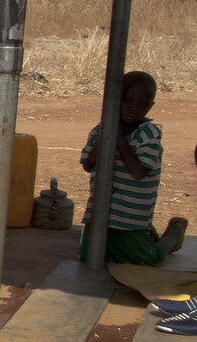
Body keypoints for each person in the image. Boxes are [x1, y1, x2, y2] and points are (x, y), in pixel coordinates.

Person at [79, 69, 185, 265]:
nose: (134, 108)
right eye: (128, 101)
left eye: (143, 104)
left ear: (150, 106)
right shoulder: (99, 130)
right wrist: (107, 134)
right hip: (98, 218)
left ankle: (173, 237)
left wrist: (119, 139)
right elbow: (88, 165)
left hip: (130, 220)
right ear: (115, 100)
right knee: (89, 258)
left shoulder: (148, 134)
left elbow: (137, 172)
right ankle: (148, 236)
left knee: (147, 260)